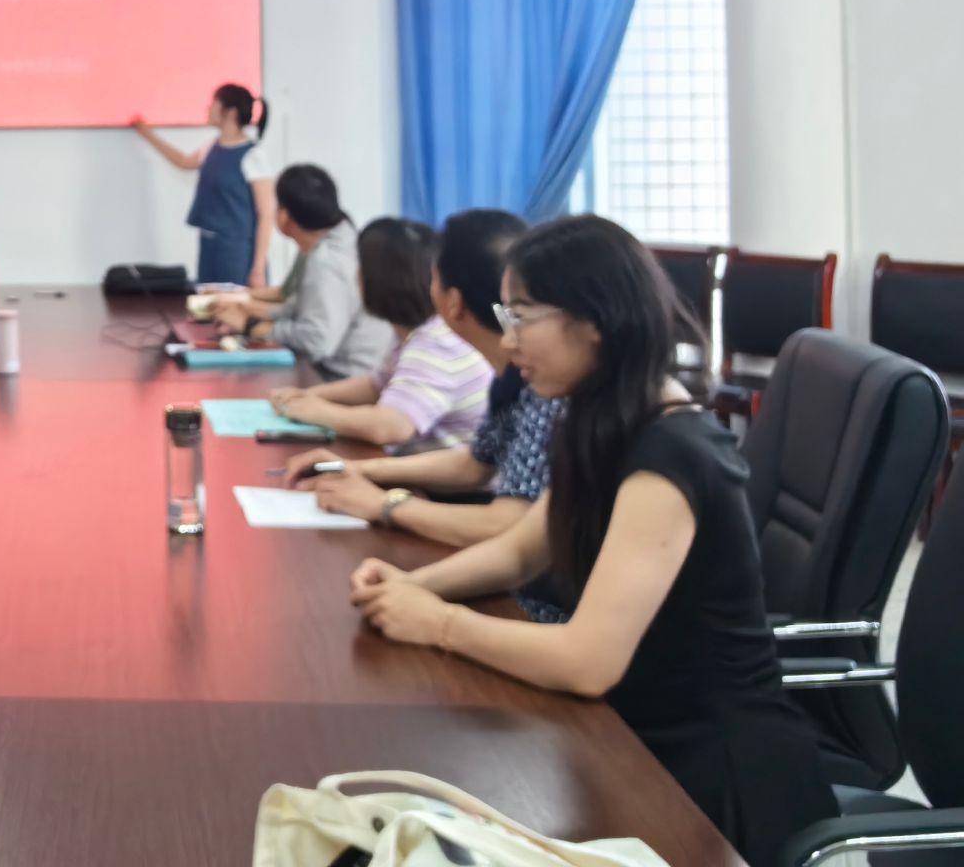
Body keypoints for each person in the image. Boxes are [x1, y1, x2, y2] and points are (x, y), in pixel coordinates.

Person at [347, 216, 834, 867]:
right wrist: (409, 587)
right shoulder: (600, 420)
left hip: (707, 785)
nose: (508, 339)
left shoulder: (671, 454)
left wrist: (437, 623)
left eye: (522, 316)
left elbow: (587, 660)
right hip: (626, 734)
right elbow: (522, 550)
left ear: (595, 320)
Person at [276, 210, 567, 558]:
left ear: (453, 301)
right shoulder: (508, 376)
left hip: (495, 533)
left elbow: (508, 522)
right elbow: (475, 464)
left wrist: (385, 504)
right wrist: (356, 469)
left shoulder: (539, 383)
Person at [269, 217, 490, 451]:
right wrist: (308, 395)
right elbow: (377, 385)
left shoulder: (435, 344)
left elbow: (391, 426)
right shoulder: (417, 331)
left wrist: (320, 412)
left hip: (438, 473)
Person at [215, 164, 389, 377]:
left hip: (340, 376)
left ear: (284, 217)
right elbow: (300, 306)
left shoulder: (327, 262)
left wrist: (251, 325)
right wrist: (245, 311)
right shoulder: (337, 237)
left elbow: (317, 343)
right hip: (340, 368)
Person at [130, 84, 278, 287]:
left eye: (213, 104)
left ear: (230, 112)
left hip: (237, 252)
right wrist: (146, 133)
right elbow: (183, 161)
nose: (208, 109)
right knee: (207, 300)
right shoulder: (211, 147)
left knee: (234, 303)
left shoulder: (253, 156)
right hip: (209, 246)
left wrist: (258, 268)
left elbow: (266, 214)